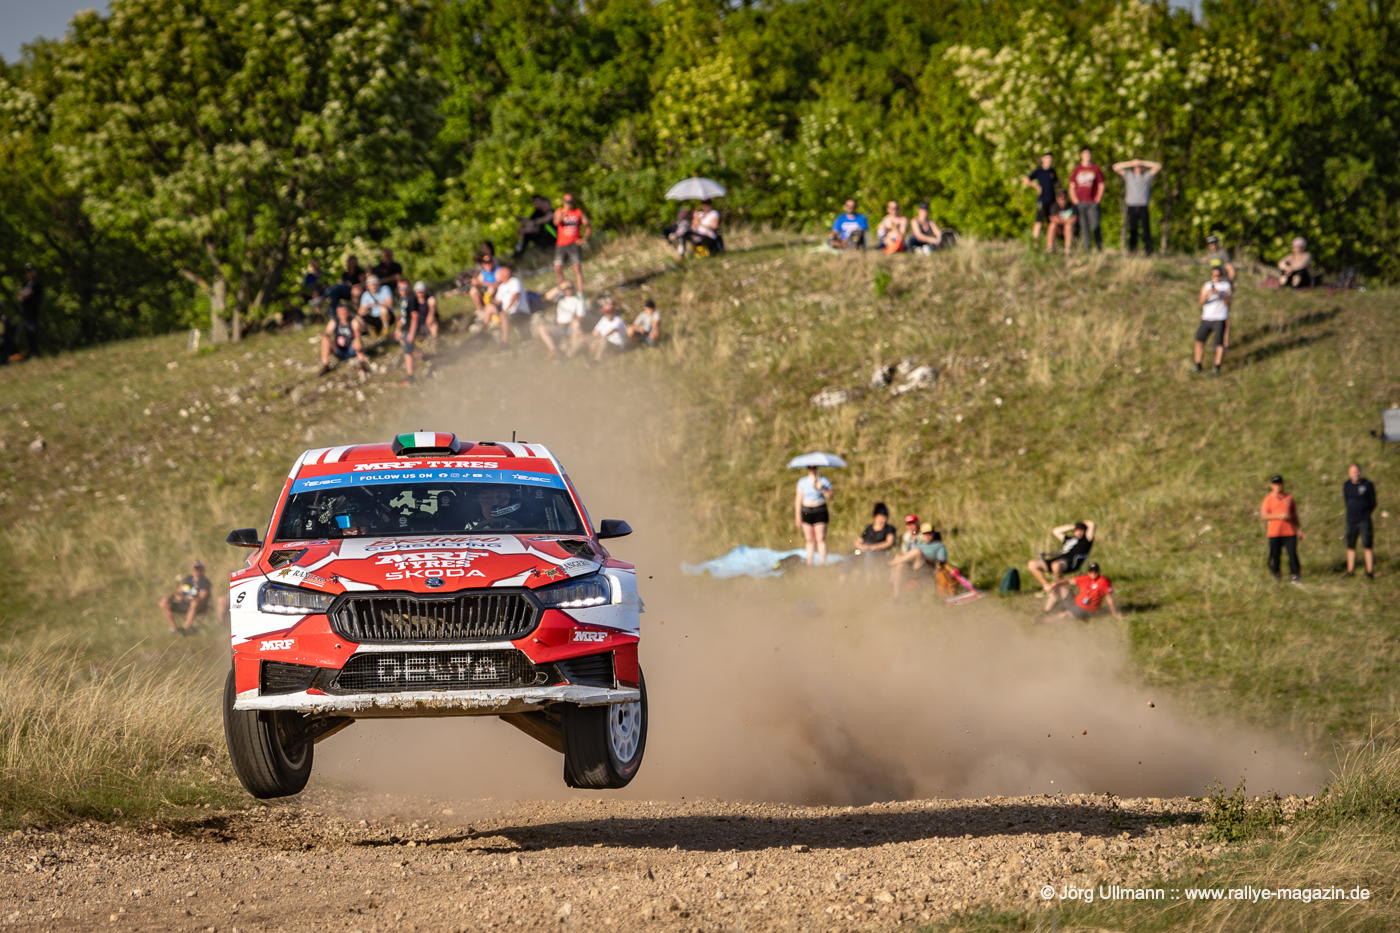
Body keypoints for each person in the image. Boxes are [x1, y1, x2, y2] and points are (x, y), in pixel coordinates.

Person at [1027, 520, 1096, 591]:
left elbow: (1091, 524)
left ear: (1084, 531)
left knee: (1056, 565)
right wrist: (1074, 526)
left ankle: (1059, 586)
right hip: (1059, 560)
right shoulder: (1069, 540)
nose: (1078, 532)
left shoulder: (1087, 540)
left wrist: (1081, 523)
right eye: (1076, 530)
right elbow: (1056, 531)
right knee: (1032, 564)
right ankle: (1047, 586)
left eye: (1081, 530)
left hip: (1071, 563)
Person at [1111, 158, 1161, 254]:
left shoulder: (1146, 176)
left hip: (1143, 206)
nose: (1138, 168)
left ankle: (1148, 250)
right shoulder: (1129, 175)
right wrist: (1131, 163)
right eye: (1136, 166)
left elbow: (1158, 166)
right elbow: (1115, 167)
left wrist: (1143, 162)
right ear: (1133, 168)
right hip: (1132, 206)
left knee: (1146, 229)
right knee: (1133, 228)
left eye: (1139, 167)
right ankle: (1133, 250)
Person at [1041, 562, 1121, 621]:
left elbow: (1109, 599)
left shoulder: (1103, 581)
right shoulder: (1084, 578)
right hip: (1076, 602)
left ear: (1099, 572)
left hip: (1087, 610)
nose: (1093, 573)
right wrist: (1053, 584)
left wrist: (1115, 614)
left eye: (1095, 571)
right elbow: (1068, 581)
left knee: (1064, 615)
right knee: (1060, 588)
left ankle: (1043, 621)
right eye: (1091, 571)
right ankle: (1045, 612)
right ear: (1088, 572)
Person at [1260, 474, 1302, 583]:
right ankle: (1276, 574)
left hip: (1289, 532)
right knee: (1275, 555)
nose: (1277, 486)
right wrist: (1278, 516)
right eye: (1275, 484)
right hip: (1274, 533)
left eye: (1279, 484)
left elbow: (1294, 514)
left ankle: (1295, 575)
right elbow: (1264, 515)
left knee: (1292, 553)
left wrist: (1298, 529)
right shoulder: (1268, 499)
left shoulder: (1289, 498)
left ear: (1282, 485)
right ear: (1271, 486)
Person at [1193, 263, 1233, 375]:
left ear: (1222, 275)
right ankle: (1197, 365)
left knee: (1219, 344)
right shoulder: (1207, 285)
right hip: (1206, 318)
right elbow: (1200, 302)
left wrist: (1219, 294)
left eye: (1218, 275)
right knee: (1199, 341)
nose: (1215, 277)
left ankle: (1217, 368)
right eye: (1213, 275)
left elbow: (1228, 303)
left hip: (1220, 318)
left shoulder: (1226, 286)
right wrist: (1206, 295)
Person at [889, 523, 948, 599]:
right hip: (914, 566)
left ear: (933, 534)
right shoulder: (919, 544)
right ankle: (896, 596)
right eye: (925, 534)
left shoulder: (939, 546)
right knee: (900, 564)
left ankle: (890, 563)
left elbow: (942, 561)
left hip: (927, 568)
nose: (927, 536)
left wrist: (925, 558)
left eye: (929, 533)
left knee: (917, 552)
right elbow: (908, 554)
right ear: (922, 535)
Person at [794, 464, 834, 566]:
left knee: (820, 538)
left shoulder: (824, 481)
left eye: (814, 467)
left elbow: (830, 496)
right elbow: (798, 499)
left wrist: (822, 488)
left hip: (819, 510)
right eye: (810, 467)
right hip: (806, 510)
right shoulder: (802, 481)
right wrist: (797, 516)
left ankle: (822, 563)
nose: (812, 469)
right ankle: (809, 563)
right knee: (809, 539)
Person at [535, 282, 587, 360]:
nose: (568, 290)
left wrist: (574, 320)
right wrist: (560, 287)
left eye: (570, 288)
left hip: (570, 327)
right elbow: (547, 297)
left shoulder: (578, 298)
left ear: (573, 288)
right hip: (559, 327)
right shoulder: (561, 298)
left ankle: (572, 352)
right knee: (541, 327)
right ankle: (553, 350)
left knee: (576, 324)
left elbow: (581, 316)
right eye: (566, 288)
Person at [1342, 462, 1377, 579]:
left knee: (1367, 545)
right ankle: (1350, 571)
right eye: (1352, 472)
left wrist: (1366, 513)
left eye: (1356, 471)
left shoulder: (1368, 485)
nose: (1355, 474)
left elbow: (1373, 502)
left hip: (1364, 520)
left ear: (1360, 472)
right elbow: (1346, 500)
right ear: (1349, 473)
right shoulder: (1346, 485)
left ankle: (1369, 572)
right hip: (1351, 520)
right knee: (1350, 545)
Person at [159, 559, 213, 634]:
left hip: (197, 607)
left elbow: (202, 597)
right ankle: (174, 628)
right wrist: (176, 596)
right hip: (183, 604)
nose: (196, 570)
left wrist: (184, 598)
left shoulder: (205, 582)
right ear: (192, 569)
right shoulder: (187, 579)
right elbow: (177, 591)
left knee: (194, 603)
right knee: (163, 602)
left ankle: (185, 629)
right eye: (195, 568)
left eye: (198, 568)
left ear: (203, 570)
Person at [395, 281, 433, 385]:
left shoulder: (411, 299)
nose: (403, 290)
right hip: (405, 328)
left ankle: (410, 378)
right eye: (401, 288)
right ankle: (426, 356)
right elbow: (403, 316)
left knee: (407, 353)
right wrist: (398, 329)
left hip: (410, 329)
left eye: (405, 288)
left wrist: (411, 333)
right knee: (408, 348)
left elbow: (415, 316)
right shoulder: (402, 299)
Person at [553, 192, 591, 294]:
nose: (568, 203)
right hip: (561, 244)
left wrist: (584, 239)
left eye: (570, 201)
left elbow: (588, 225)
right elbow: (556, 223)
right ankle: (565, 291)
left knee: (577, 268)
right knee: (558, 268)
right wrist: (563, 214)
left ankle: (580, 293)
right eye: (566, 201)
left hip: (574, 244)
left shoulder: (578, 212)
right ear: (563, 201)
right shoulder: (559, 211)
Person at [1068, 147, 1105, 252]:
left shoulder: (1095, 169)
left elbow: (1101, 185)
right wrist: (1074, 200)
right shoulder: (1077, 169)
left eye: (1088, 154)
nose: (1087, 156)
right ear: (1081, 155)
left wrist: (1098, 198)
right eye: (1085, 154)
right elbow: (1071, 186)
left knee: (1095, 226)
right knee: (1084, 227)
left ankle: (1099, 249)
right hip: (1080, 202)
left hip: (1092, 202)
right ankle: (1087, 249)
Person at [318, 301, 368, 375]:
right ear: (337, 313)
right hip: (339, 350)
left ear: (348, 312)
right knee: (325, 340)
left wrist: (356, 339)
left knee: (357, 340)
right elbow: (326, 333)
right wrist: (328, 338)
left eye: (344, 312)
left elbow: (357, 333)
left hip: (352, 349)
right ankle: (325, 365)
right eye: (340, 312)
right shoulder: (334, 321)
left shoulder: (353, 321)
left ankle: (362, 362)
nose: (342, 314)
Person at [1021, 153, 1058, 242]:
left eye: (1050, 158)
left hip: (1052, 201)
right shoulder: (1039, 171)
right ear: (1043, 159)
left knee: (1052, 222)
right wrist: (1035, 186)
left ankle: (1050, 244)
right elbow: (1025, 179)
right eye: (1047, 158)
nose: (1049, 160)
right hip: (1042, 200)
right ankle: (1034, 243)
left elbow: (1056, 184)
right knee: (1039, 221)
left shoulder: (1052, 171)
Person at [853, 502, 897, 572]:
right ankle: (843, 578)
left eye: (884, 517)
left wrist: (872, 547)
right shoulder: (869, 528)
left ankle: (868, 577)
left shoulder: (889, 528)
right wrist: (861, 546)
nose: (882, 520)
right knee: (849, 557)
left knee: (869, 555)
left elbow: (889, 542)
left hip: (879, 553)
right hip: (864, 551)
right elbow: (858, 541)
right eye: (880, 517)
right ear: (875, 517)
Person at [491, 263, 530, 343]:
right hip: (508, 313)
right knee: (490, 309)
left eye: (499, 275)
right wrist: (490, 295)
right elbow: (497, 302)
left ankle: (505, 341)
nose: (497, 277)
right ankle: (483, 331)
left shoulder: (514, 281)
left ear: (506, 274)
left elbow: (515, 296)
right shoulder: (501, 286)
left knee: (503, 315)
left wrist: (507, 310)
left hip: (519, 312)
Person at [513, 194, 556, 258]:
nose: (535, 204)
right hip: (542, 237)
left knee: (545, 226)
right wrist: (523, 222)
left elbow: (544, 220)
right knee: (526, 234)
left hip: (553, 236)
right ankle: (517, 256)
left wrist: (529, 227)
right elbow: (531, 221)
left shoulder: (552, 212)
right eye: (534, 202)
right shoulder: (537, 212)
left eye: (538, 202)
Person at [16, 263, 42, 356]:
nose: (29, 273)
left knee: (32, 330)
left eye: (30, 270)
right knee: (28, 331)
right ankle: (31, 351)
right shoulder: (27, 283)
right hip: (26, 310)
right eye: (27, 271)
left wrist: (22, 294)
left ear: (34, 271)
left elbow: (27, 293)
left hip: (32, 309)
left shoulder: (36, 281)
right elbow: (19, 296)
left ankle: (35, 352)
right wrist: (22, 294)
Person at [469, 252, 501, 320]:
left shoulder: (498, 270)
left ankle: (492, 311)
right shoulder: (484, 272)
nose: (487, 264)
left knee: (491, 289)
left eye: (489, 262)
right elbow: (478, 282)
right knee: (473, 291)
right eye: (485, 263)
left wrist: (482, 283)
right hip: (486, 295)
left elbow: (498, 284)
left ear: (493, 262)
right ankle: (481, 312)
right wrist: (474, 282)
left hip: (497, 294)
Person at [1045, 189, 1076, 253]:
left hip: (1070, 229)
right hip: (1058, 229)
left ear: (1067, 198)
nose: (1062, 200)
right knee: (1052, 225)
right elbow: (1052, 219)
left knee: (1068, 226)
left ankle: (1068, 249)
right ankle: (1050, 248)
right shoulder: (1054, 206)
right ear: (1057, 199)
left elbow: (1074, 219)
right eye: (1060, 199)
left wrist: (1060, 220)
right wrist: (1066, 220)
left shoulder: (1071, 206)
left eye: (1064, 198)